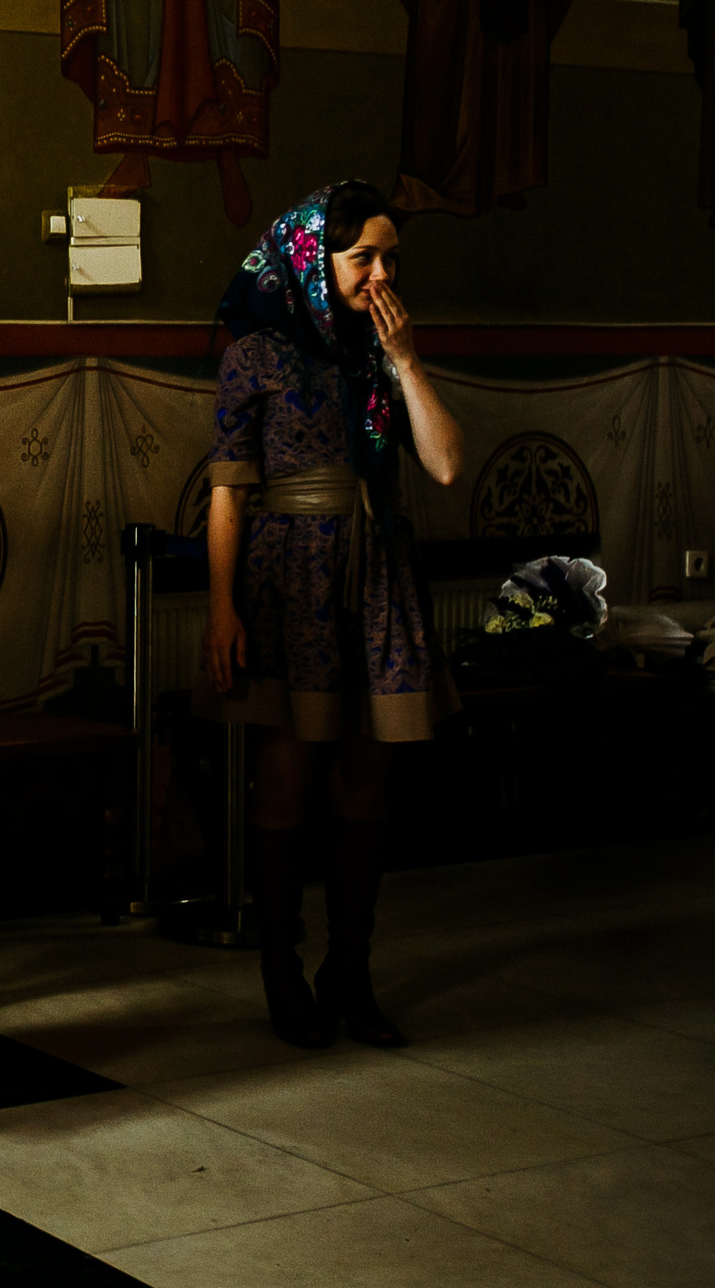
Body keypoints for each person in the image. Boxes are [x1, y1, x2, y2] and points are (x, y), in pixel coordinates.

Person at [200, 181, 464, 1050]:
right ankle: (281, 967)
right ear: (318, 258)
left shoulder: (382, 354)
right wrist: (221, 610)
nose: (382, 273)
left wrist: (409, 363)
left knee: (365, 782)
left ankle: (349, 971)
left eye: (392, 257)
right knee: (286, 778)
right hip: (291, 579)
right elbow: (228, 494)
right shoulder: (260, 353)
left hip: (377, 574)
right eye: (364, 258)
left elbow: (447, 467)